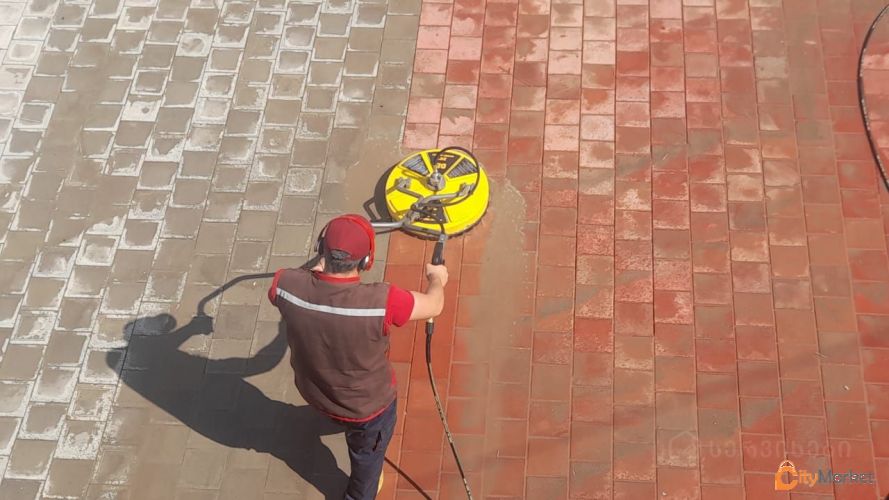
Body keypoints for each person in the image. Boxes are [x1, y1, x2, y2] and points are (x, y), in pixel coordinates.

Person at [267, 213, 449, 500]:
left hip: (316, 393)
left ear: (321, 249)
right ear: (366, 261)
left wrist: (320, 268)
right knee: (367, 459)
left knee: (339, 420)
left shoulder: (285, 285)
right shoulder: (382, 302)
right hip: (368, 410)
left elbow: (287, 287)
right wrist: (437, 279)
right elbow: (434, 305)